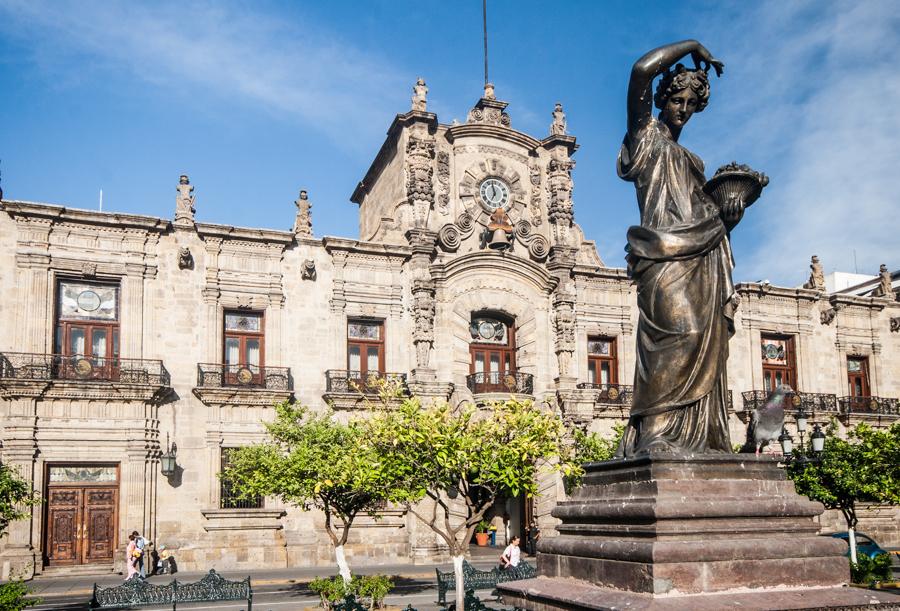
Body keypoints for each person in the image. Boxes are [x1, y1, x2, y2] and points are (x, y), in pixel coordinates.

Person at [616, 40, 738, 456]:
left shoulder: (694, 161)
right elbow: (640, 70)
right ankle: (654, 433)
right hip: (661, 256)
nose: (683, 109)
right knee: (679, 336)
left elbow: (710, 220)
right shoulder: (646, 138)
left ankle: (694, 437)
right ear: (664, 99)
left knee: (708, 343)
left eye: (691, 103)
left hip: (702, 258)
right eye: (676, 99)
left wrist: (730, 218)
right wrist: (692, 46)